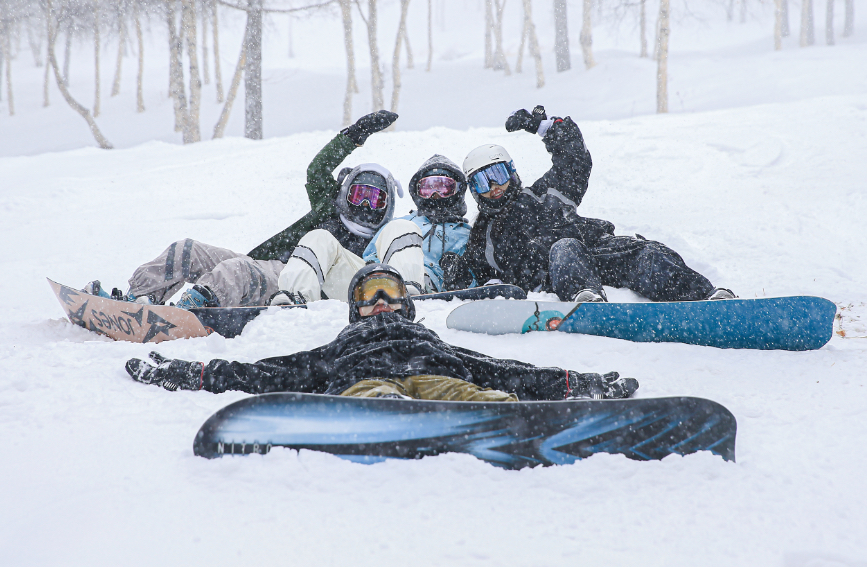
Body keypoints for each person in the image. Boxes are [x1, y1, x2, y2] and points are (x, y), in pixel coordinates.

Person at [125, 263, 638, 402]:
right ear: (354, 312)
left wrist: (579, 383)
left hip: (437, 381)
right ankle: (376, 410)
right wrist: (191, 373)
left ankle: (490, 415)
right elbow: (269, 371)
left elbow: (502, 368)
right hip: (363, 383)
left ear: (409, 307)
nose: (380, 304)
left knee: (472, 387)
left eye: (390, 294)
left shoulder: (431, 343)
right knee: (374, 389)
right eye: (368, 296)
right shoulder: (343, 345)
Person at [81, 111, 400, 309]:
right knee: (187, 250)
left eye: (376, 199)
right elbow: (317, 169)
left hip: (296, 286)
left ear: (387, 207)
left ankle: (193, 310)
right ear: (347, 191)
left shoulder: (380, 240)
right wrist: (354, 136)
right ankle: (138, 299)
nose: (365, 205)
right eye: (360, 194)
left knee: (236, 272)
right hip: (265, 263)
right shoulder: (329, 208)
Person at [455, 105, 735, 303]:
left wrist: (545, 127)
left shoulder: (542, 195)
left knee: (646, 252)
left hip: (598, 253)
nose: (493, 188)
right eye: (482, 182)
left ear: (512, 172)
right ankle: (586, 302)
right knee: (564, 247)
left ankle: (706, 299)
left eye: (497, 175)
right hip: (557, 272)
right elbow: (476, 277)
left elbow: (574, 162)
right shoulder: (484, 233)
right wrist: (455, 272)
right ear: (473, 190)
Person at [361, 155, 477, 293]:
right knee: (328, 241)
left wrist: (462, 277)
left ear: (457, 191)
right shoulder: (401, 223)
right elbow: (369, 256)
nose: (435, 195)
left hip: (426, 289)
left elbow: (478, 285)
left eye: (444, 187)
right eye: (428, 188)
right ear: (418, 192)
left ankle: (409, 290)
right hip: (372, 283)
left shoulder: (467, 235)